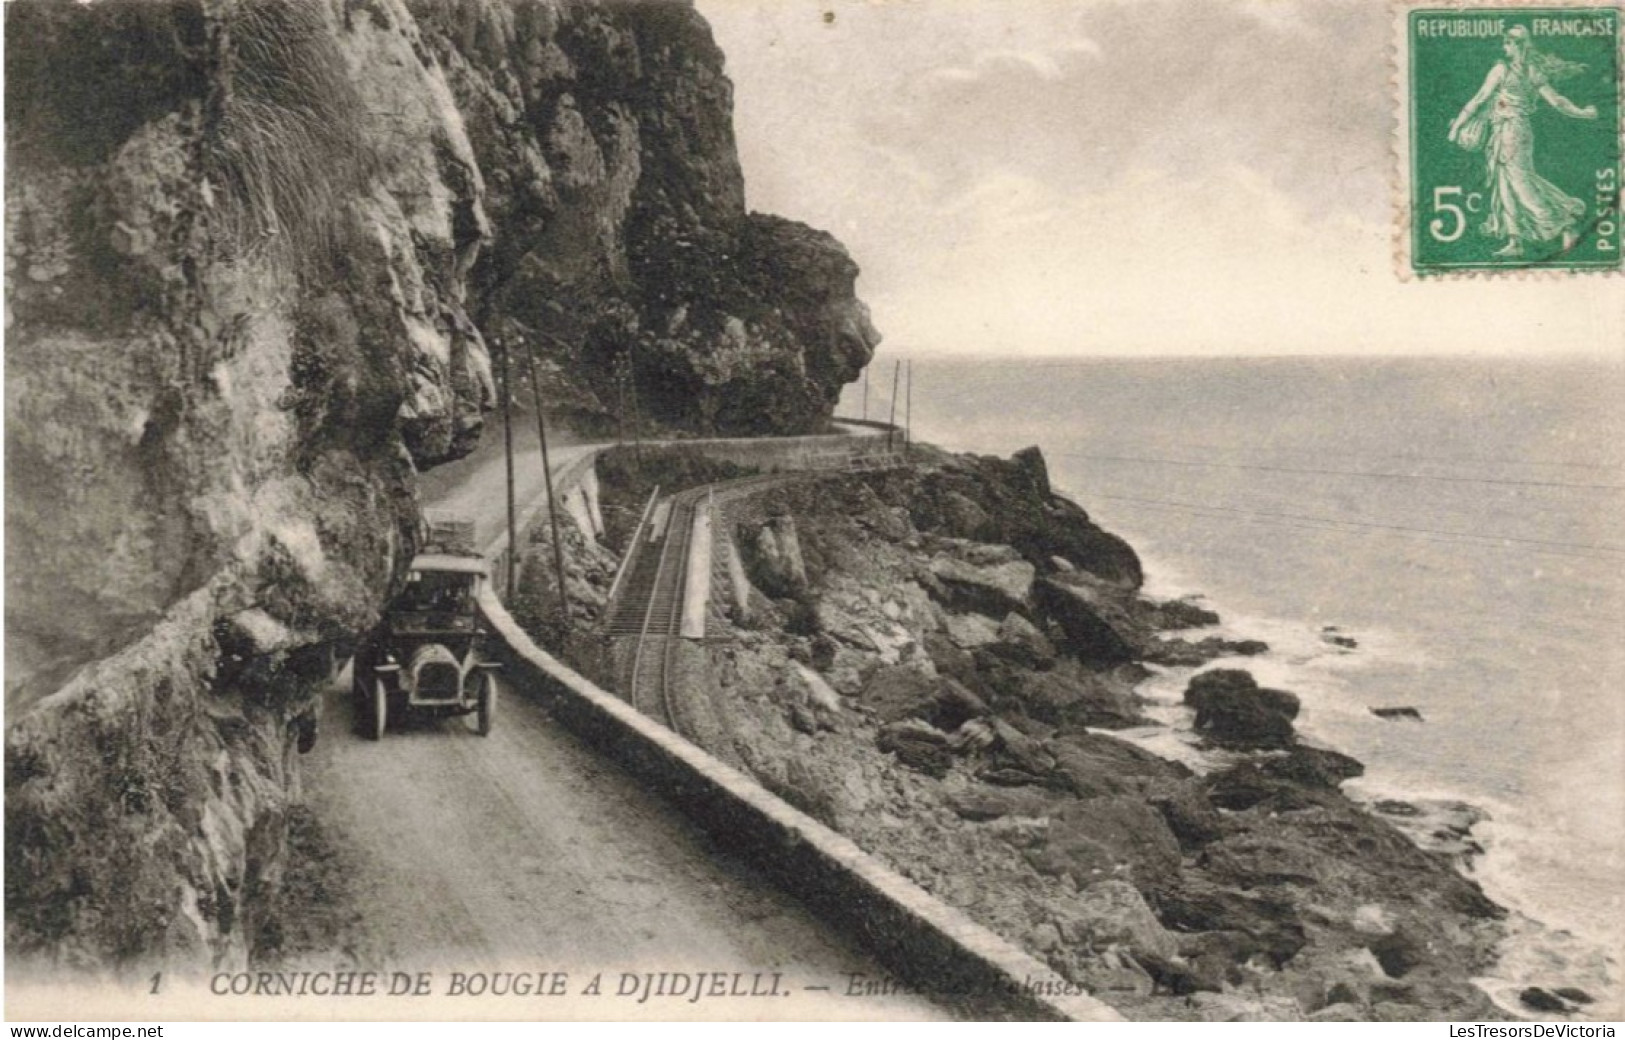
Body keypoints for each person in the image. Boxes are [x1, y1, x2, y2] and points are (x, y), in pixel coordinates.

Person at [1448, 25, 1598, 257]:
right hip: (1509, 131)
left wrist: (1457, 126)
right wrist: (1582, 112)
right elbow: (1557, 101)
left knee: (1520, 184)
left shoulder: (1502, 70)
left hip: (1512, 131)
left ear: (1517, 45)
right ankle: (1515, 240)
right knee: (1505, 184)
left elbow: (1479, 99)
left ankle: (1564, 224)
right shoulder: (1532, 71)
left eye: (1507, 42)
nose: (1504, 47)